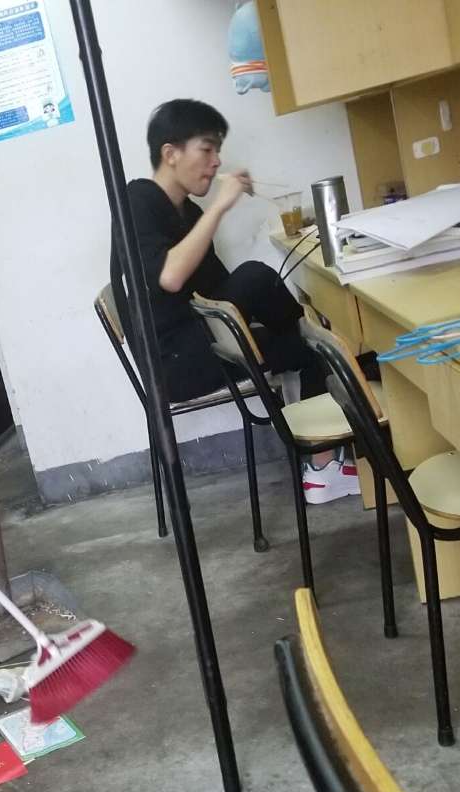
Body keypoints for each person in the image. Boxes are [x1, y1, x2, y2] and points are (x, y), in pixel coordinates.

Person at [109, 98, 358, 503]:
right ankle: (325, 452)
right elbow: (169, 277)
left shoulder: (186, 212)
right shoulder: (137, 201)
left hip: (203, 339)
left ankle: (322, 466)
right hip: (174, 363)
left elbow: (221, 291)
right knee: (263, 284)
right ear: (170, 154)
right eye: (207, 149)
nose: (216, 162)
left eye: (217, 151)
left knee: (310, 346)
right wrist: (221, 206)